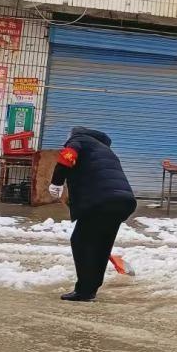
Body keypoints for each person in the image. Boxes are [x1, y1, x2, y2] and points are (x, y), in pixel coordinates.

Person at [49, 127, 136, 302]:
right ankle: (90, 290)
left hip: (101, 201)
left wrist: (56, 183)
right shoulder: (106, 150)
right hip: (124, 202)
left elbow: (68, 156)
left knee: (81, 242)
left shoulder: (79, 139)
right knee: (101, 245)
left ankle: (84, 290)